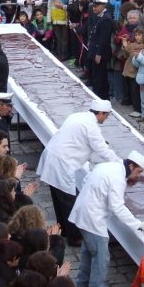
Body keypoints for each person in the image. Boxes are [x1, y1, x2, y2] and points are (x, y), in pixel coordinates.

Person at [37, 99, 120, 246]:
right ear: (100, 113)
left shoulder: (77, 116)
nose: (105, 119)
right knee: (69, 201)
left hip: (53, 158)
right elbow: (102, 149)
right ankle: (74, 237)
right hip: (62, 164)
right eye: (106, 116)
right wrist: (120, 165)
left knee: (58, 197)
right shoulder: (91, 125)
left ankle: (62, 228)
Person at [68, 151, 144, 287]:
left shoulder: (107, 166)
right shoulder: (118, 178)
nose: (139, 176)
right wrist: (137, 224)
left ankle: (82, 283)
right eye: (139, 171)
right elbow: (117, 207)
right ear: (131, 166)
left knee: (88, 250)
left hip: (83, 212)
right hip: (92, 219)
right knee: (101, 258)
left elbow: (86, 180)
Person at [87, 0, 114, 99]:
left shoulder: (106, 19)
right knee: (96, 76)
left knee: (100, 77)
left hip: (100, 53)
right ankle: (98, 96)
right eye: (94, 6)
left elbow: (104, 39)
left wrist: (98, 54)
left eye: (96, 6)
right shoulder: (100, 17)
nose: (94, 8)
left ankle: (101, 97)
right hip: (95, 51)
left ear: (103, 6)